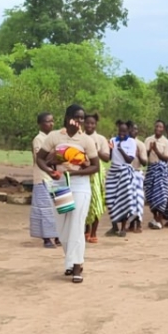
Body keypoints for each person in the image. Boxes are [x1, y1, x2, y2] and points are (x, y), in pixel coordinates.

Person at [36, 104, 101, 283]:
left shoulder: (86, 140)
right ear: (67, 118)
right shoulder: (55, 136)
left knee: (77, 224)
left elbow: (96, 166)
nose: (80, 121)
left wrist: (77, 172)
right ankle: (70, 260)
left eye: (82, 118)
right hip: (60, 183)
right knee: (63, 227)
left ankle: (77, 266)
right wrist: (50, 172)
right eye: (76, 117)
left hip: (80, 183)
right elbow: (40, 158)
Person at [30, 112, 60, 248]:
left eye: (52, 121)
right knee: (45, 208)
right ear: (41, 124)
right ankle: (47, 238)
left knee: (60, 206)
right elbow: (41, 159)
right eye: (48, 121)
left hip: (56, 176)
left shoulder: (53, 138)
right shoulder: (39, 139)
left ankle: (59, 235)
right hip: (43, 177)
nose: (51, 124)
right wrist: (55, 153)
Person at [105, 121, 140, 237]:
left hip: (125, 171)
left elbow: (129, 160)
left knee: (124, 199)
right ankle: (114, 226)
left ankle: (123, 228)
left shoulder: (131, 142)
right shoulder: (112, 140)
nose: (121, 133)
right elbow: (109, 158)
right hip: (113, 171)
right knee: (110, 199)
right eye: (120, 131)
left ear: (128, 131)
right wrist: (110, 149)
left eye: (124, 131)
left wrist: (120, 149)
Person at [83, 113, 110, 243]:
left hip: (97, 173)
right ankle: (86, 230)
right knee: (84, 202)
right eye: (87, 123)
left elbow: (106, 158)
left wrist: (95, 150)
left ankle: (93, 232)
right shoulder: (79, 137)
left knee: (97, 201)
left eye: (92, 123)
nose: (89, 125)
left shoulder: (100, 139)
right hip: (82, 172)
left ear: (96, 124)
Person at [144, 120, 168, 229]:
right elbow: (144, 157)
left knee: (162, 195)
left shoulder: (166, 142)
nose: (158, 128)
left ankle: (159, 219)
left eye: (161, 127)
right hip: (151, 169)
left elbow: (166, 158)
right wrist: (149, 150)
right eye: (157, 126)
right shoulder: (148, 140)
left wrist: (156, 150)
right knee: (151, 195)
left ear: (163, 129)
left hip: (161, 171)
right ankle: (155, 217)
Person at [129, 122, 148, 233]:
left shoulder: (140, 144)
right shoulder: (125, 142)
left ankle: (139, 224)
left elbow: (145, 162)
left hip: (137, 173)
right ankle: (131, 224)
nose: (133, 131)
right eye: (131, 128)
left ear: (138, 132)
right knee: (130, 200)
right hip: (127, 174)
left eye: (135, 129)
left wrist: (138, 154)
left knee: (139, 200)